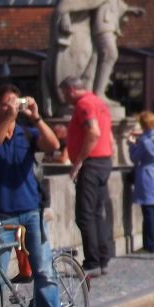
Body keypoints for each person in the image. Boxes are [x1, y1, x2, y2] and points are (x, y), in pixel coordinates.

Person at [0, 86, 64, 307]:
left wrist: (36, 117)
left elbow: (53, 144)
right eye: (6, 103)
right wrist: (9, 118)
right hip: (1, 216)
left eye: (15, 102)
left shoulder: (27, 134)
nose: (12, 106)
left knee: (44, 272)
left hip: (32, 213)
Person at [61, 75, 115, 276]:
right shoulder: (98, 101)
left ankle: (92, 262)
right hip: (103, 160)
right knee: (96, 212)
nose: (64, 98)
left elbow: (94, 132)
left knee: (85, 215)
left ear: (71, 90)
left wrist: (79, 162)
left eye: (64, 93)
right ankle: (103, 258)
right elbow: (108, 135)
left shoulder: (84, 104)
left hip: (92, 163)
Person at [129, 111, 154, 252]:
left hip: (146, 176)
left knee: (148, 212)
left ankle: (149, 244)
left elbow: (135, 157)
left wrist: (131, 145)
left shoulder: (145, 141)